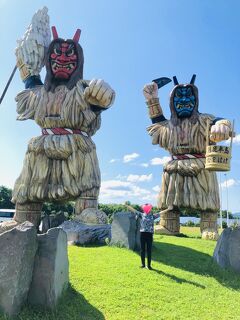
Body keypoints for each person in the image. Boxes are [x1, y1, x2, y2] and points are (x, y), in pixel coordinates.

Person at [125, 203, 159, 270]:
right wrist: (126, 206)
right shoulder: (141, 215)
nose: (147, 210)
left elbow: (161, 213)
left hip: (149, 234)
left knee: (149, 250)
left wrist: (168, 209)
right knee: (142, 250)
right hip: (143, 234)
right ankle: (143, 265)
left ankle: (149, 266)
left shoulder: (153, 216)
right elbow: (133, 210)